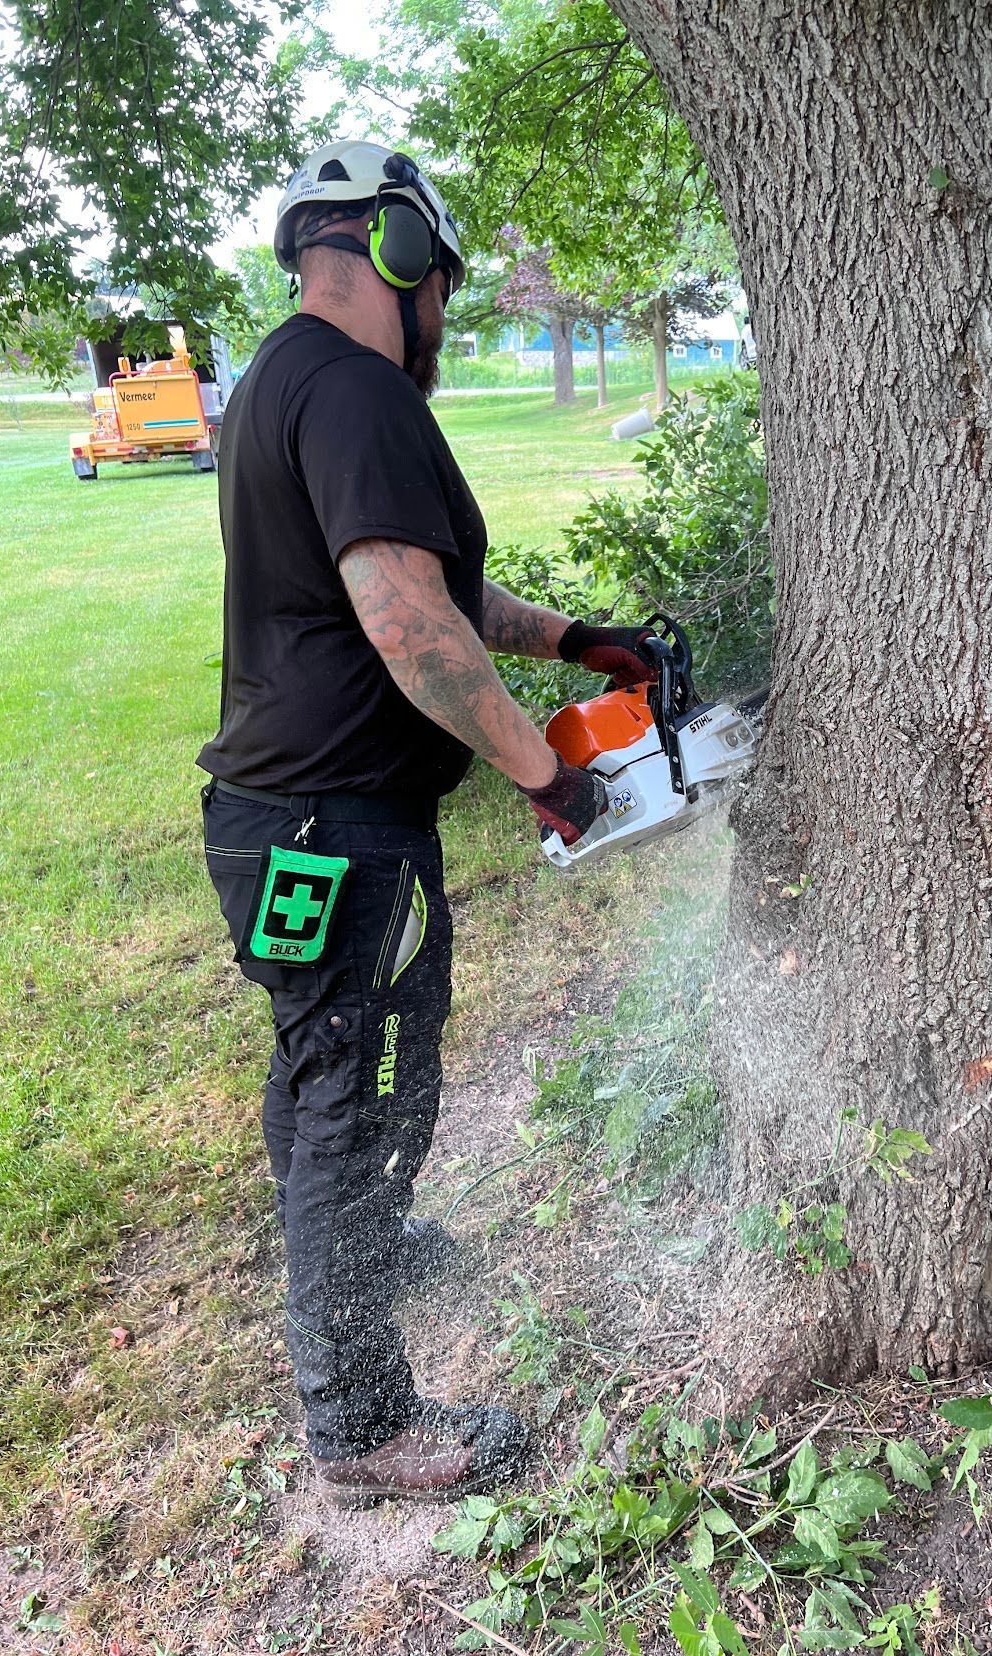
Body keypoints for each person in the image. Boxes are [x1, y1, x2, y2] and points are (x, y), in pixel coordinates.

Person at [196, 141, 657, 1506]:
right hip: (341, 829)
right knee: (367, 1089)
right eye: (442, 285)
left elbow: (429, 591)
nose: (443, 315)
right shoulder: (363, 390)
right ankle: (360, 1426)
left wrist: (576, 639)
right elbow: (407, 626)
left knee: (322, 1068)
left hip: (274, 818)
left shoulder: (284, 378)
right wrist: (547, 775)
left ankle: (357, 1240)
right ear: (398, 251)